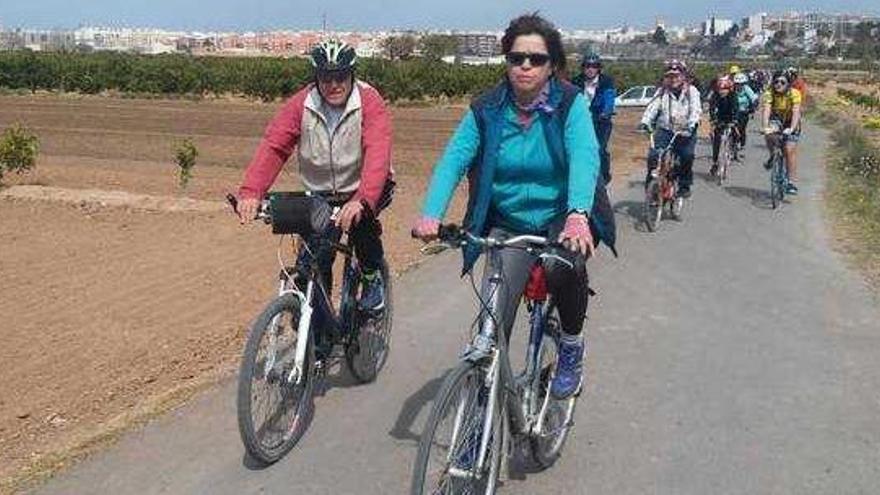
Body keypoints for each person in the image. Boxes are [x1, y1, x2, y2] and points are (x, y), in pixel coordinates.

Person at [411, 13, 615, 400]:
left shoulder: (570, 104)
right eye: (516, 57)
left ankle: (570, 347)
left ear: (552, 65)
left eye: (535, 59)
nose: (524, 65)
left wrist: (577, 215)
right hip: (507, 220)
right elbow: (453, 161)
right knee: (493, 325)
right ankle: (480, 425)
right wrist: (431, 214)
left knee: (563, 264)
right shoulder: (486, 109)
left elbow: (586, 156)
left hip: (560, 214)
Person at [237, 39, 394, 311]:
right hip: (321, 192)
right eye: (326, 77)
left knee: (361, 225)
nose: (334, 84)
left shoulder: (369, 101)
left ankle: (371, 277)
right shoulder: (301, 104)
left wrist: (363, 199)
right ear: (316, 77)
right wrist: (252, 192)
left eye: (341, 76)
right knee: (315, 258)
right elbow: (275, 147)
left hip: (365, 186)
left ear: (351, 74)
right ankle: (318, 333)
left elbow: (377, 151)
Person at [638, 59, 702, 198]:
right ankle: (652, 189)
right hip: (665, 130)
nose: (673, 79)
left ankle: (684, 185)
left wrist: (691, 124)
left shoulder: (691, 91)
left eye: (677, 76)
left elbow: (695, 110)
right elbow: (652, 108)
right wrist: (645, 122)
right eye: (670, 76)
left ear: (683, 76)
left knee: (687, 155)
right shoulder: (662, 91)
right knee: (654, 156)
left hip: (685, 131)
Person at [572, 52, 616, 185]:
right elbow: (570, 99)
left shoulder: (606, 82)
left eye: (594, 66)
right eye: (587, 66)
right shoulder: (576, 81)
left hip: (600, 121)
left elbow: (609, 99)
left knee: (600, 149)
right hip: (581, 121)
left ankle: (604, 177)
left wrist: (606, 112)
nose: (590, 69)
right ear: (583, 68)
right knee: (574, 149)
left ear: (599, 68)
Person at [761, 70, 802, 195]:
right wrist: (765, 126)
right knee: (769, 135)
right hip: (777, 119)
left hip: (791, 121)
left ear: (788, 84)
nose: (778, 84)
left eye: (782, 82)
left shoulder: (794, 93)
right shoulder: (769, 93)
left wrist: (792, 128)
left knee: (789, 150)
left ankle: (790, 182)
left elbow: (796, 112)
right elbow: (767, 111)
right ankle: (773, 155)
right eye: (776, 82)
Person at [708, 76, 738, 175]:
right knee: (716, 140)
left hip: (730, 118)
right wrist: (713, 120)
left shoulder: (733, 96)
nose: (722, 91)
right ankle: (715, 162)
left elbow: (735, 108)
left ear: (729, 89)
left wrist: (735, 120)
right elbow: (712, 109)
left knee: (736, 134)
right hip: (719, 119)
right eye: (720, 89)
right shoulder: (715, 96)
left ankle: (733, 149)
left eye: (725, 89)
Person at [733, 72, 758, 152]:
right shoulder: (732, 89)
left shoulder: (746, 89)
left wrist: (753, 107)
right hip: (734, 111)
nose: (739, 85)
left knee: (741, 128)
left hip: (744, 112)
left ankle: (742, 143)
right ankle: (731, 142)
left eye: (741, 84)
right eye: (737, 84)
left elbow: (753, 98)